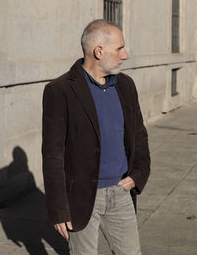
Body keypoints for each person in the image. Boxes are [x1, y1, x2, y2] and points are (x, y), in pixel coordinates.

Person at [42, 19, 150, 255]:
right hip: (82, 196)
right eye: (120, 49)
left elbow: (139, 135)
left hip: (121, 191)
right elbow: (52, 154)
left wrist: (138, 175)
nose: (125, 55)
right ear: (98, 51)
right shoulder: (59, 90)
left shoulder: (126, 85)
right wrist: (58, 208)